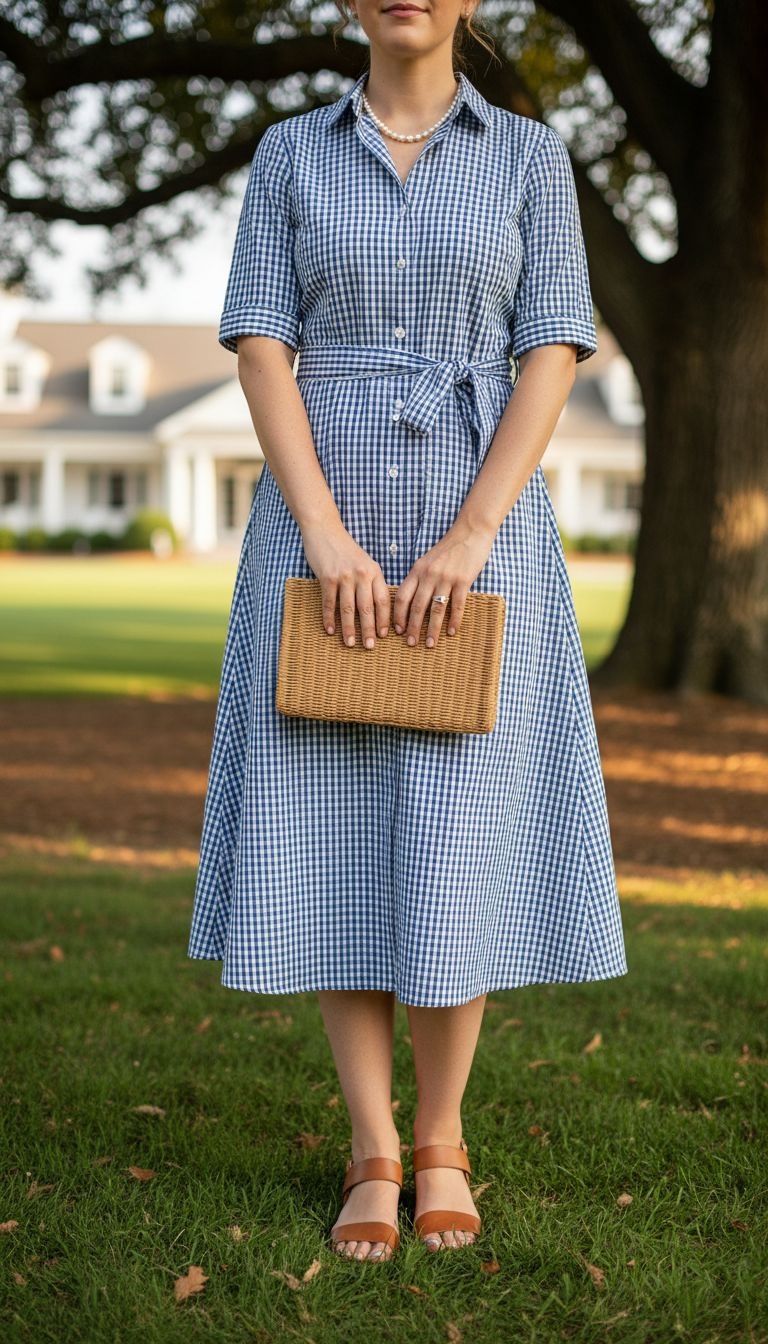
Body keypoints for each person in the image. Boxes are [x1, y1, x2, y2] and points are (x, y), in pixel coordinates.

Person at [187, 0, 628, 1263]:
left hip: (475, 531)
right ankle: (372, 1146)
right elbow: (262, 346)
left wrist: (474, 532)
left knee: (456, 824)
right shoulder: (291, 152)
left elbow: (551, 345)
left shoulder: (531, 156)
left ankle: (443, 1136)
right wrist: (324, 537)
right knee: (334, 820)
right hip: (321, 526)